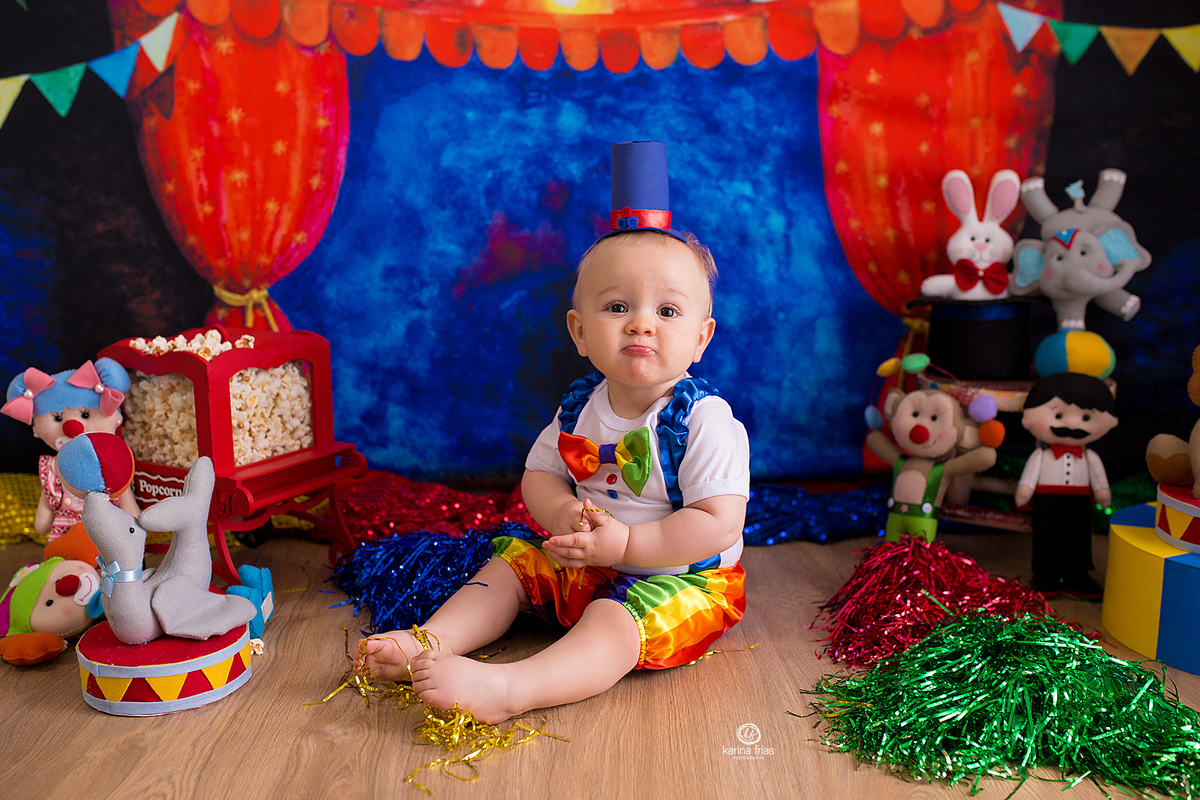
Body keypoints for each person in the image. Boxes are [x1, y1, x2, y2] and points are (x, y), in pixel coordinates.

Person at [356, 142, 750, 724]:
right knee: (511, 564)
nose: (642, 322)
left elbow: (718, 522)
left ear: (701, 338)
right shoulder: (579, 409)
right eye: (617, 307)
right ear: (579, 331)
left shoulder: (704, 421)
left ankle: (513, 688)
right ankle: (431, 641)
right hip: (589, 564)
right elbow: (539, 475)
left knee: (615, 621)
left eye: (668, 312)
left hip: (680, 583)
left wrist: (629, 548)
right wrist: (564, 513)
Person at [1015, 371, 1118, 600]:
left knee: (1079, 538)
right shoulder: (1041, 455)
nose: (1072, 424)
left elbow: (1099, 482)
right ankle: (1044, 576)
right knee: (1045, 537)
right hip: (1046, 500)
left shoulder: (1091, 457)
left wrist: (1102, 494)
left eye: (1086, 418)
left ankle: (1076, 575)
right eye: (1059, 415)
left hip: (1079, 502)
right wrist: (1024, 491)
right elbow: (1029, 479)